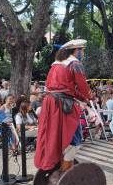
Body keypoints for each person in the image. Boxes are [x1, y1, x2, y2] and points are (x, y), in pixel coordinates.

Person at [35, 39, 91, 174]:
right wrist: (88, 97)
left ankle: (64, 167)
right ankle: (64, 173)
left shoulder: (55, 65)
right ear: (75, 51)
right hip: (63, 105)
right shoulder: (75, 64)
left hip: (51, 104)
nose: (82, 53)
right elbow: (82, 87)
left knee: (56, 137)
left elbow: (64, 88)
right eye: (81, 50)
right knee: (74, 138)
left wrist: (83, 98)